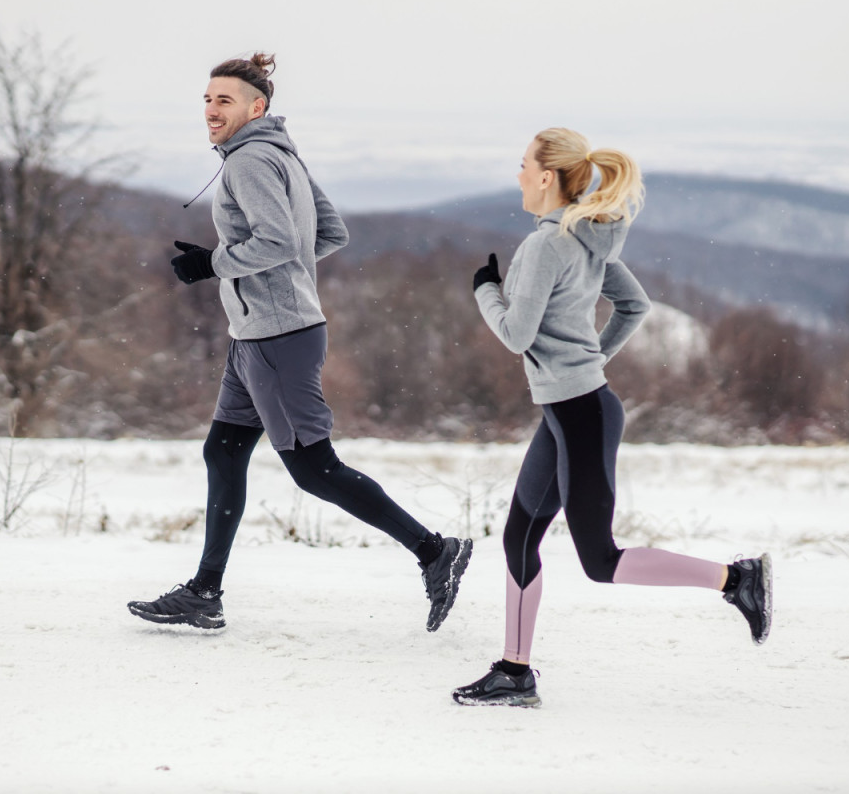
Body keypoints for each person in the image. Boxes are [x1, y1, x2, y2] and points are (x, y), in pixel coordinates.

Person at [127, 53, 472, 633]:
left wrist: (217, 263)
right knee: (224, 452)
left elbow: (281, 240)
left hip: (277, 337)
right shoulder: (280, 152)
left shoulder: (250, 162)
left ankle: (434, 551)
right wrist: (269, 280)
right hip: (257, 334)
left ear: (256, 107)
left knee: (314, 468)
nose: (212, 110)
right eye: (208, 99)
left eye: (225, 100)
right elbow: (329, 233)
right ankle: (204, 592)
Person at [452, 128, 772, 707]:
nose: (518, 174)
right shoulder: (588, 239)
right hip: (573, 409)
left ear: (547, 176)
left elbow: (515, 333)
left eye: (523, 165)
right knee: (520, 535)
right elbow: (635, 306)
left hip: (579, 413)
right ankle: (514, 672)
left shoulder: (545, 246)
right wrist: (590, 359)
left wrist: (485, 291)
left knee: (600, 559)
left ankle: (737, 580)